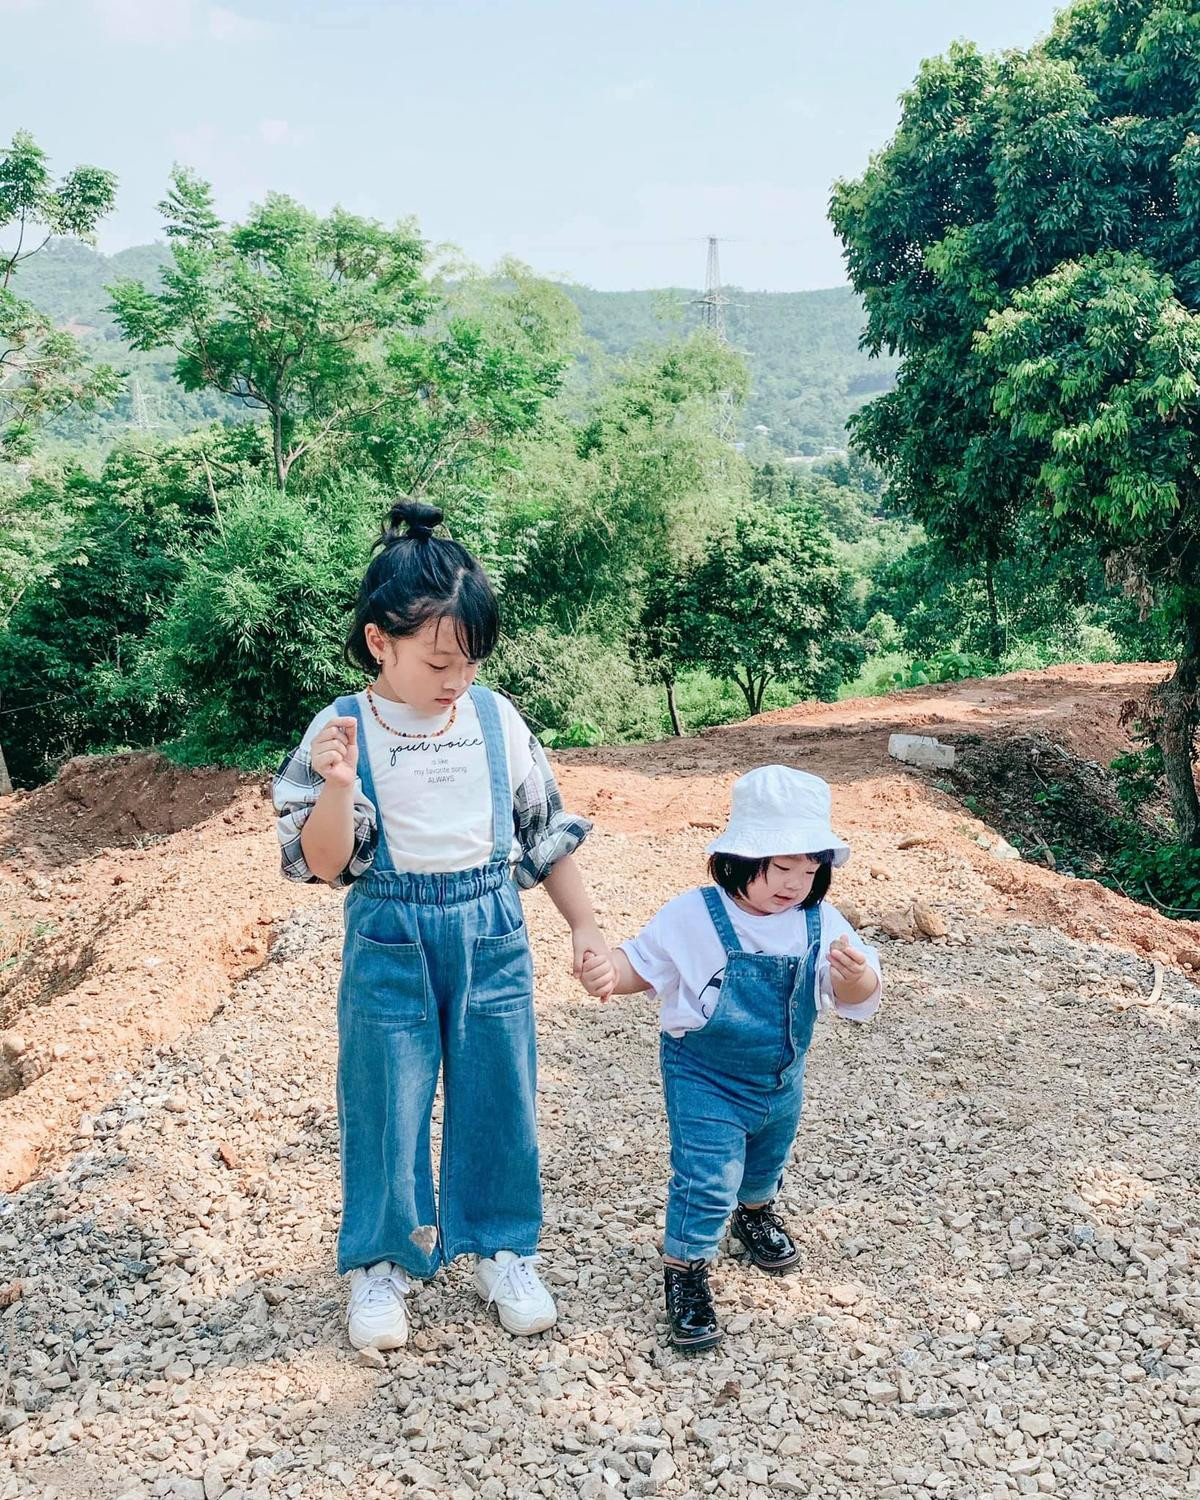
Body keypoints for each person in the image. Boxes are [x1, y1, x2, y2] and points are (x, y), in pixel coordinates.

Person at [273, 500, 611, 1350]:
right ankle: (381, 1266)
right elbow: (319, 862)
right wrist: (343, 785)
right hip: (388, 928)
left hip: (492, 924)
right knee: (384, 1096)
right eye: (437, 659)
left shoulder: (497, 720)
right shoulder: (338, 729)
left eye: (469, 659)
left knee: (500, 1091)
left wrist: (585, 926)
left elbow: (544, 833)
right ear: (379, 641)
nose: (455, 678)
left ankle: (501, 1247)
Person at [579, 765, 882, 1351]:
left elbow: (854, 997)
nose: (795, 883)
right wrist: (604, 973)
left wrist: (856, 977)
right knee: (707, 1176)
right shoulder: (693, 915)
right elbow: (640, 965)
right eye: (782, 867)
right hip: (705, 1075)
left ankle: (755, 1213)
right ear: (738, 860)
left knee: (767, 1158)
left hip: (781, 1074)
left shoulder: (819, 923)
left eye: (809, 869)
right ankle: (685, 1269)